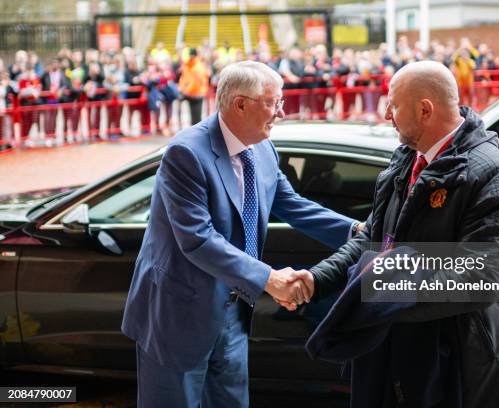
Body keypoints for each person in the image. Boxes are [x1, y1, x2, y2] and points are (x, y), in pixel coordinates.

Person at [288, 61, 499, 407]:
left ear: (425, 110)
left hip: (461, 369)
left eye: (393, 104)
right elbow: (373, 236)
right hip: (400, 355)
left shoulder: (493, 176)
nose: (386, 114)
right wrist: (318, 279)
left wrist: (378, 285)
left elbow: (480, 278)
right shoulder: (405, 159)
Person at [121, 61, 362, 408]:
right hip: (178, 315)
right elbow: (198, 239)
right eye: (273, 102)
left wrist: (355, 230)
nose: (281, 112)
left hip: (233, 312)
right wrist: (270, 279)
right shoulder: (186, 153)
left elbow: (290, 203)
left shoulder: (263, 147)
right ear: (240, 104)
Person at [178, 48, 208, 125]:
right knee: (194, 118)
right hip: (192, 93)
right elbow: (183, 79)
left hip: (197, 93)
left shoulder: (197, 66)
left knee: (196, 118)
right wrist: (183, 89)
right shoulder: (189, 65)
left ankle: (197, 135)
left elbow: (196, 82)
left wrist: (185, 90)